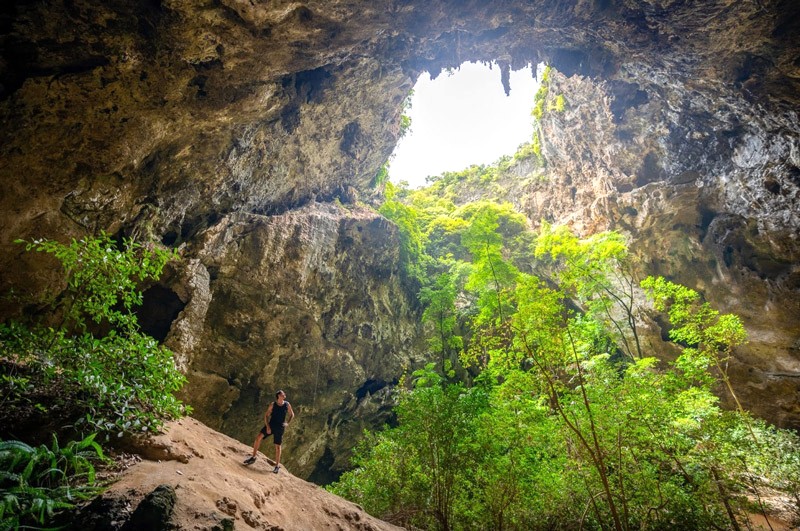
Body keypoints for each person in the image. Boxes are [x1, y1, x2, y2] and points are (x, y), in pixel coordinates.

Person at [244, 389, 295, 473]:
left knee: (277, 446)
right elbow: (266, 415)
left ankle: (277, 466)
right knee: (258, 438)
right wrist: (268, 426)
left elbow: (292, 414)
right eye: (283, 394)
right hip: (271, 425)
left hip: (279, 427)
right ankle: (253, 457)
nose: (284, 395)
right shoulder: (273, 404)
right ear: (278, 396)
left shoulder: (287, 404)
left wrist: (287, 423)